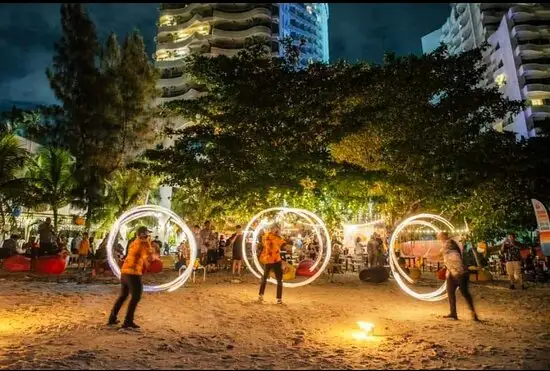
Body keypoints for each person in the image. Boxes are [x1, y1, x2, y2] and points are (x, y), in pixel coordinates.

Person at [108, 226, 152, 329]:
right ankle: (128, 321)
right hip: (133, 273)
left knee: (123, 295)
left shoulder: (133, 243)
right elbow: (147, 260)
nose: (148, 235)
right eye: (147, 233)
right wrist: (149, 245)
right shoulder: (143, 243)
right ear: (142, 234)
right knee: (136, 296)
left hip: (124, 272)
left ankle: (112, 318)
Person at [438, 231, 479, 321]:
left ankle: (473, 313)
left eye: (440, 236)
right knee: (450, 292)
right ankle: (453, 313)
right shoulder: (446, 245)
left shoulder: (449, 243)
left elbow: (440, 254)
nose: (439, 238)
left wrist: (428, 255)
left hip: (460, 273)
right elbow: (443, 257)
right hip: (451, 273)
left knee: (465, 293)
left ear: (445, 236)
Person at [258, 223, 287, 304]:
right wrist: (279, 235)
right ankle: (277, 298)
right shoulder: (277, 238)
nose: (276, 230)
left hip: (271, 260)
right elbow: (283, 244)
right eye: (276, 228)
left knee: (268, 278)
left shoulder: (265, 236)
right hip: (273, 260)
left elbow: (263, 243)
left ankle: (262, 295)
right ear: (274, 228)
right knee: (276, 280)